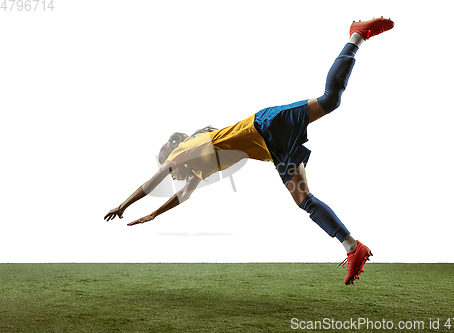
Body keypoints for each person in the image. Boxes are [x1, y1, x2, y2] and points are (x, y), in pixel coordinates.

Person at [104, 17, 395, 285]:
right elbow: (184, 195)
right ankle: (353, 247)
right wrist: (154, 215)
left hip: (266, 125)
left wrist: (123, 206)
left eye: (172, 169)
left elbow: (150, 182)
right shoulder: (197, 168)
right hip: (274, 148)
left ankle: (357, 34)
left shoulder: (182, 152)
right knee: (303, 199)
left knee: (330, 101)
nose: (175, 175)